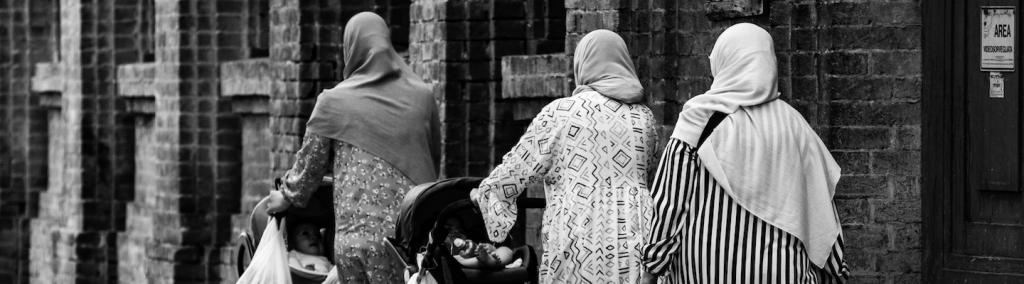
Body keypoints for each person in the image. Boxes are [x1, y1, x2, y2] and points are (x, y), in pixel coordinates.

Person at [640, 23, 848, 284]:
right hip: (782, 270)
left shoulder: (698, 118)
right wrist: (836, 269)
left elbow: (670, 204)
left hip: (703, 271)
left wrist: (652, 268)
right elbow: (820, 208)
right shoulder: (796, 127)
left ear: (723, 61)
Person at [263, 12, 441, 284]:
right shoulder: (424, 97)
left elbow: (308, 169)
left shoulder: (333, 102)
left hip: (354, 241)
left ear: (350, 48)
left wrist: (284, 196)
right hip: (410, 240)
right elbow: (432, 158)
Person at [470, 29, 659, 283]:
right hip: (638, 232)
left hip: (581, 231)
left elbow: (514, 173)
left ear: (582, 63)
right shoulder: (644, 118)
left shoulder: (561, 113)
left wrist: (484, 194)